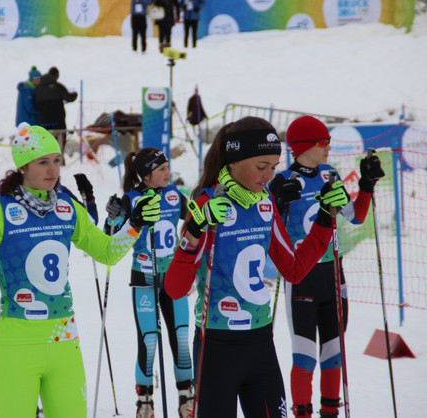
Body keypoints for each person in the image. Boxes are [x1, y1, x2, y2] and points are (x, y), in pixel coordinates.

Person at [0, 125, 161, 417]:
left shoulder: (67, 207)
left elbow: (107, 252)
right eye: (43, 162)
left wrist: (135, 224)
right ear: (23, 166)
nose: (53, 169)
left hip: (63, 339)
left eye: (57, 160)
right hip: (17, 341)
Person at [164, 116, 349, 417]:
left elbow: (294, 269)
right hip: (216, 345)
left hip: (261, 342)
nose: (268, 175)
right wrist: (196, 229)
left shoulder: (265, 202)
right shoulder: (208, 200)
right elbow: (175, 289)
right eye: (261, 167)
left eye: (274, 167)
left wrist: (326, 219)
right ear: (234, 162)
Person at [270, 116, 385, 417]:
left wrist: (367, 185)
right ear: (304, 146)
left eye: (329, 142)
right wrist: (279, 207)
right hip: (301, 275)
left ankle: (331, 413)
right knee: (305, 357)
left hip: (333, 273)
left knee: (333, 354)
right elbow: (267, 229)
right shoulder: (281, 181)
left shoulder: (328, 174)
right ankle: (303, 412)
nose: (328, 148)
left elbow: (355, 216)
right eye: (323, 143)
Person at [104, 148, 194, 418]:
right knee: (149, 339)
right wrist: (112, 216)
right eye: (162, 169)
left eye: (168, 167)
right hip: (144, 277)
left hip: (173, 277)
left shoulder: (174, 194)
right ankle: (145, 401)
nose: (168, 173)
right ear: (145, 176)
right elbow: (109, 237)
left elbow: (196, 219)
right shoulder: (131, 199)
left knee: (180, 337)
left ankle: (186, 397)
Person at [34, 67, 78, 164]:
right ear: (56, 76)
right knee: (61, 139)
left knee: (47, 143)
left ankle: (47, 161)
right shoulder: (57, 86)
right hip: (58, 120)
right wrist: (75, 94)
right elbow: (69, 97)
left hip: (44, 121)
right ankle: (60, 160)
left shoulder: (38, 89)